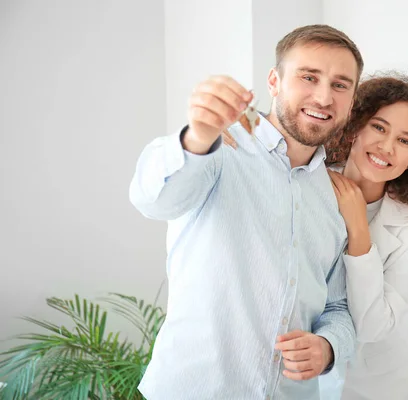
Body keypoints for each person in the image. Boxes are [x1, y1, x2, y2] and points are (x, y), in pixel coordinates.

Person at [128, 25, 364, 399]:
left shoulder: (336, 194)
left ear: (351, 100)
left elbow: (337, 305)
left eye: (340, 85)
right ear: (274, 81)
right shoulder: (220, 148)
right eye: (309, 77)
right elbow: (152, 200)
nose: (323, 97)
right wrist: (198, 137)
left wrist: (328, 346)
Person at [224, 72, 408, 399]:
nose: (387, 147)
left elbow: (373, 326)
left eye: (405, 141)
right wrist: (228, 129)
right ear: (355, 125)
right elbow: (268, 143)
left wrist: (359, 226)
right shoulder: (309, 181)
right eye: (379, 127)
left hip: (384, 386)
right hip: (303, 378)